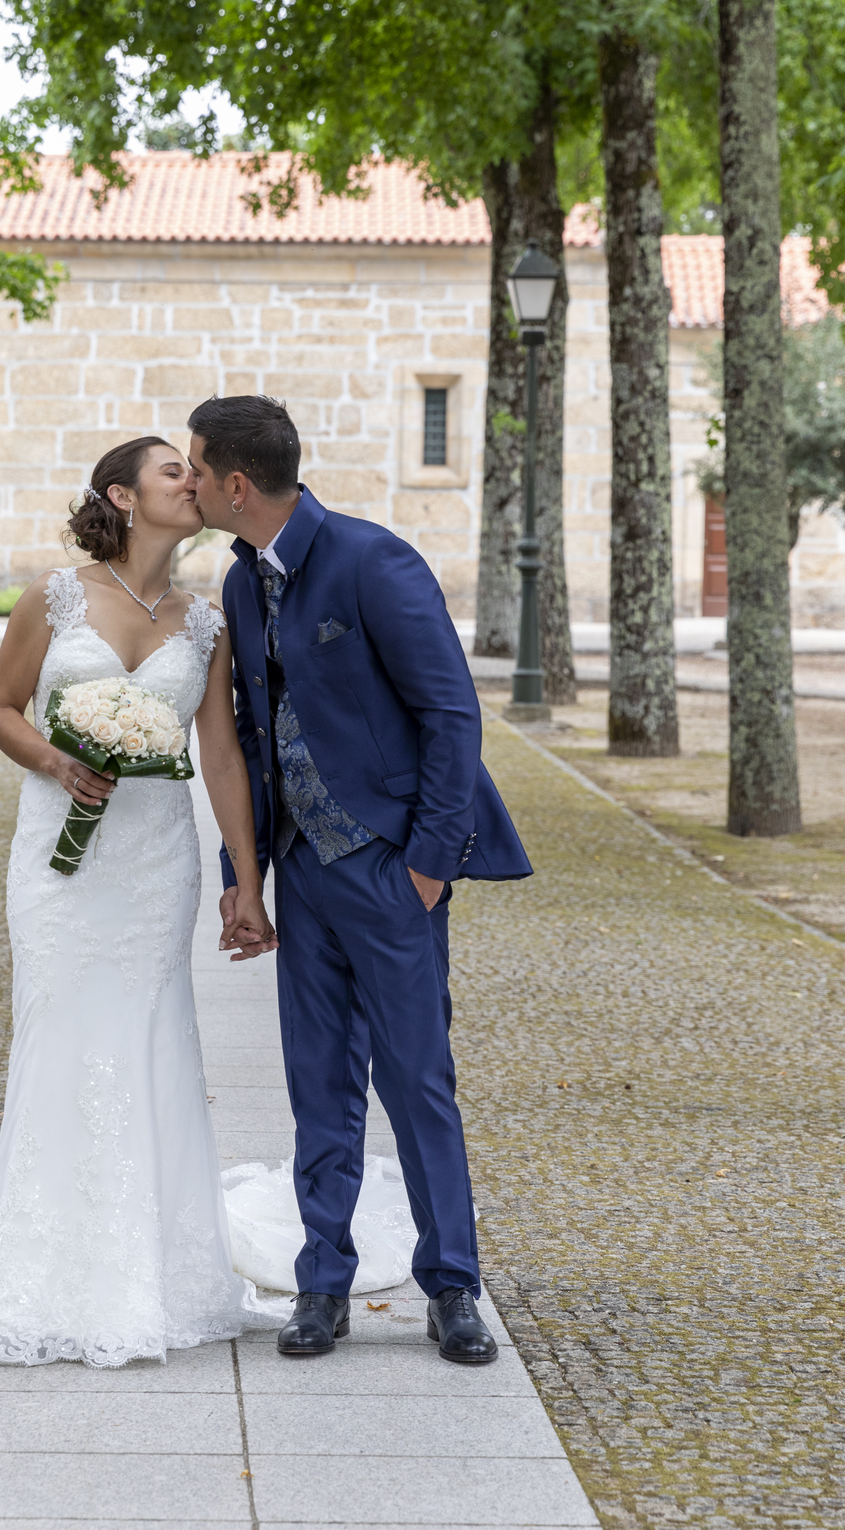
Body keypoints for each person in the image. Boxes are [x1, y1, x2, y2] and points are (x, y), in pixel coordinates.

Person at [187, 395, 532, 1364]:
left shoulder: (375, 561)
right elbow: (252, 741)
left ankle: (453, 1286)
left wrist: (426, 867)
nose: (193, 483)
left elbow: (452, 718)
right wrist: (244, 874)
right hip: (302, 870)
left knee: (419, 1083)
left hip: (390, 873)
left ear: (238, 484)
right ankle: (323, 1283)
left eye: (199, 469)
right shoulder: (241, 584)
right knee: (319, 1087)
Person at [0, 435, 281, 1368]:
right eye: (174, 471)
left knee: (147, 1041)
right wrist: (59, 761)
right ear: (124, 495)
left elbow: (219, 756)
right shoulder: (55, 597)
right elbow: (0, 710)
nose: (195, 482)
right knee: (60, 1034)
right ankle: (50, 1273)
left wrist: (246, 882)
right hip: (58, 869)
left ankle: (154, 1276)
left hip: (153, 863)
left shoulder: (205, 622)